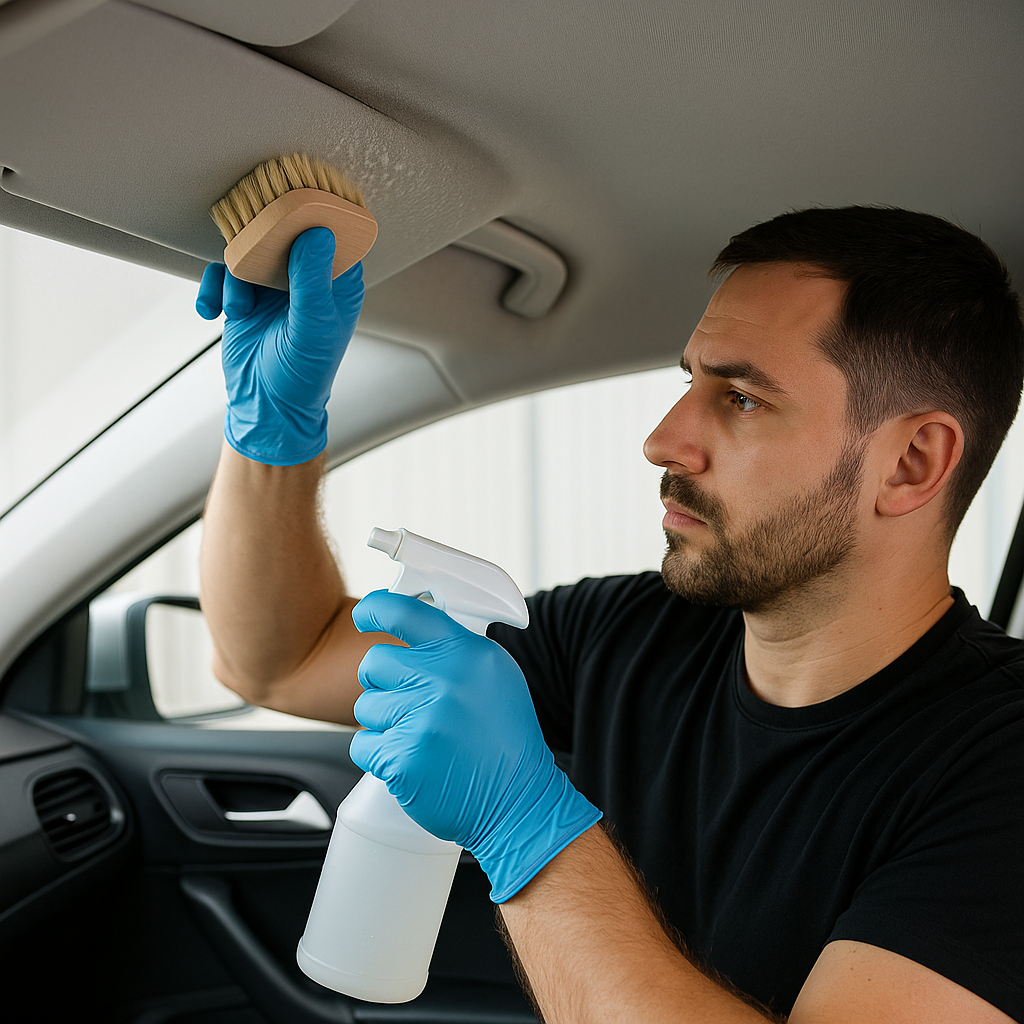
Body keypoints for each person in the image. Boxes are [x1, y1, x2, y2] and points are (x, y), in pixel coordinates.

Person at [197, 206, 1024, 1023]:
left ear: (912, 463)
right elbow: (281, 657)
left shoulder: (999, 762)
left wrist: (524, 827)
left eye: (740, 398)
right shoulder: (632, 633)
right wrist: (272, 434)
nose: (663, 440)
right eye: (689, 381)